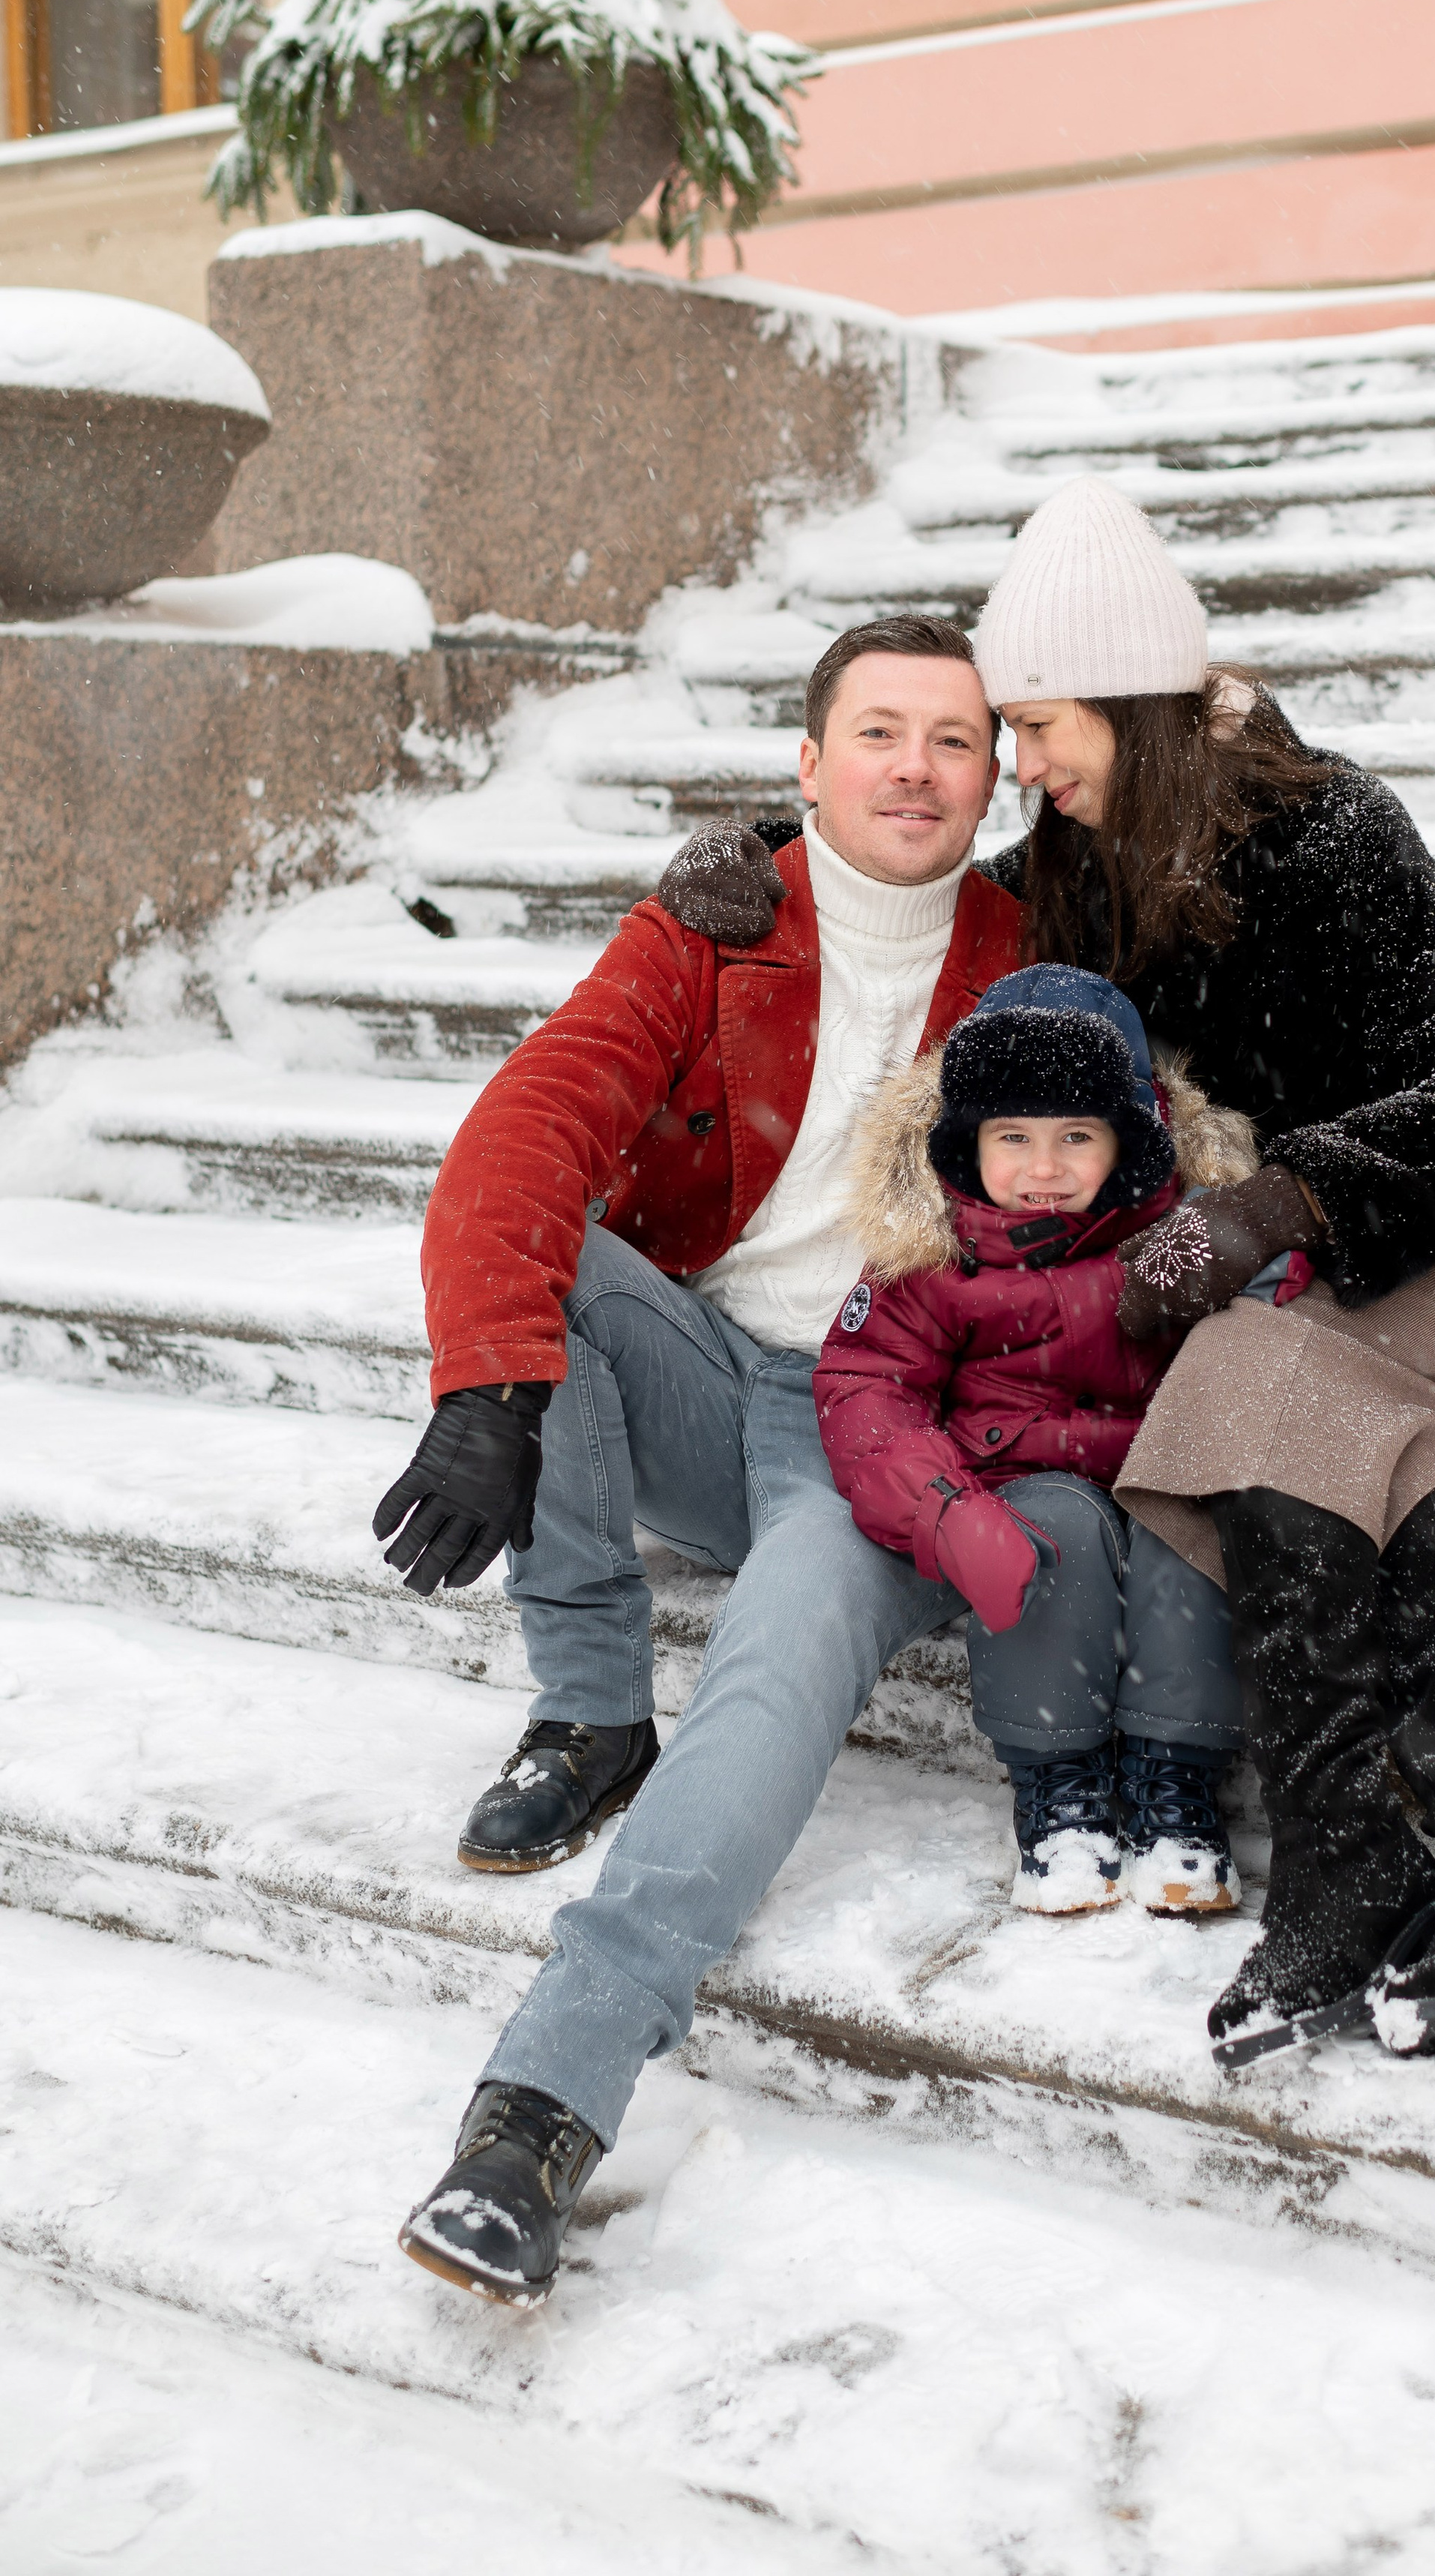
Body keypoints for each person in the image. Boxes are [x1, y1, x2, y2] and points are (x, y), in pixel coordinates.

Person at [661, 477, 1435, 2070]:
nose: (1019, 762)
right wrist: (758, 869)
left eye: (1039, 722)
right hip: (1315, 1243)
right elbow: (922, 900)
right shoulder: (1078, 859)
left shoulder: (1329, 833)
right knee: (1239, 1390)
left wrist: (1267, 1208)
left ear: (1130, 698)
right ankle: (1410, 1866)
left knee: (1268, 1382)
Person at [376, 614, 1026, 2309]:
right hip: (707, 1364)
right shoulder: (711, 925)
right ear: (803, 768)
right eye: (873, 732)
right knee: (555, 1268)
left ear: (994, 774)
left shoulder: (1031, 959)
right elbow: (532, 1119)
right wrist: (487, 1386)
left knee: (780, 1649)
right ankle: (591, 1703)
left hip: (874, 1426)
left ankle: (537, 2105)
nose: (910, 766)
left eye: (950, 739)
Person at [815, 960, 1280, 1916]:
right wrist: (941, 1510)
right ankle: (1057, 1785)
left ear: (1132, 1139)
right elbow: (867, 1387)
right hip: (1018, 1478)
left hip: (1157, 1468)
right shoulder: (931, 1255)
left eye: (1078, 1135)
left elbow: (1274, 1318)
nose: (1043, 1166)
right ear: (964, 1143)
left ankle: (1176, 1775)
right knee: (1048, 1535)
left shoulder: (1182, 1234)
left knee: (1186, 1538)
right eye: (1012, 1136)